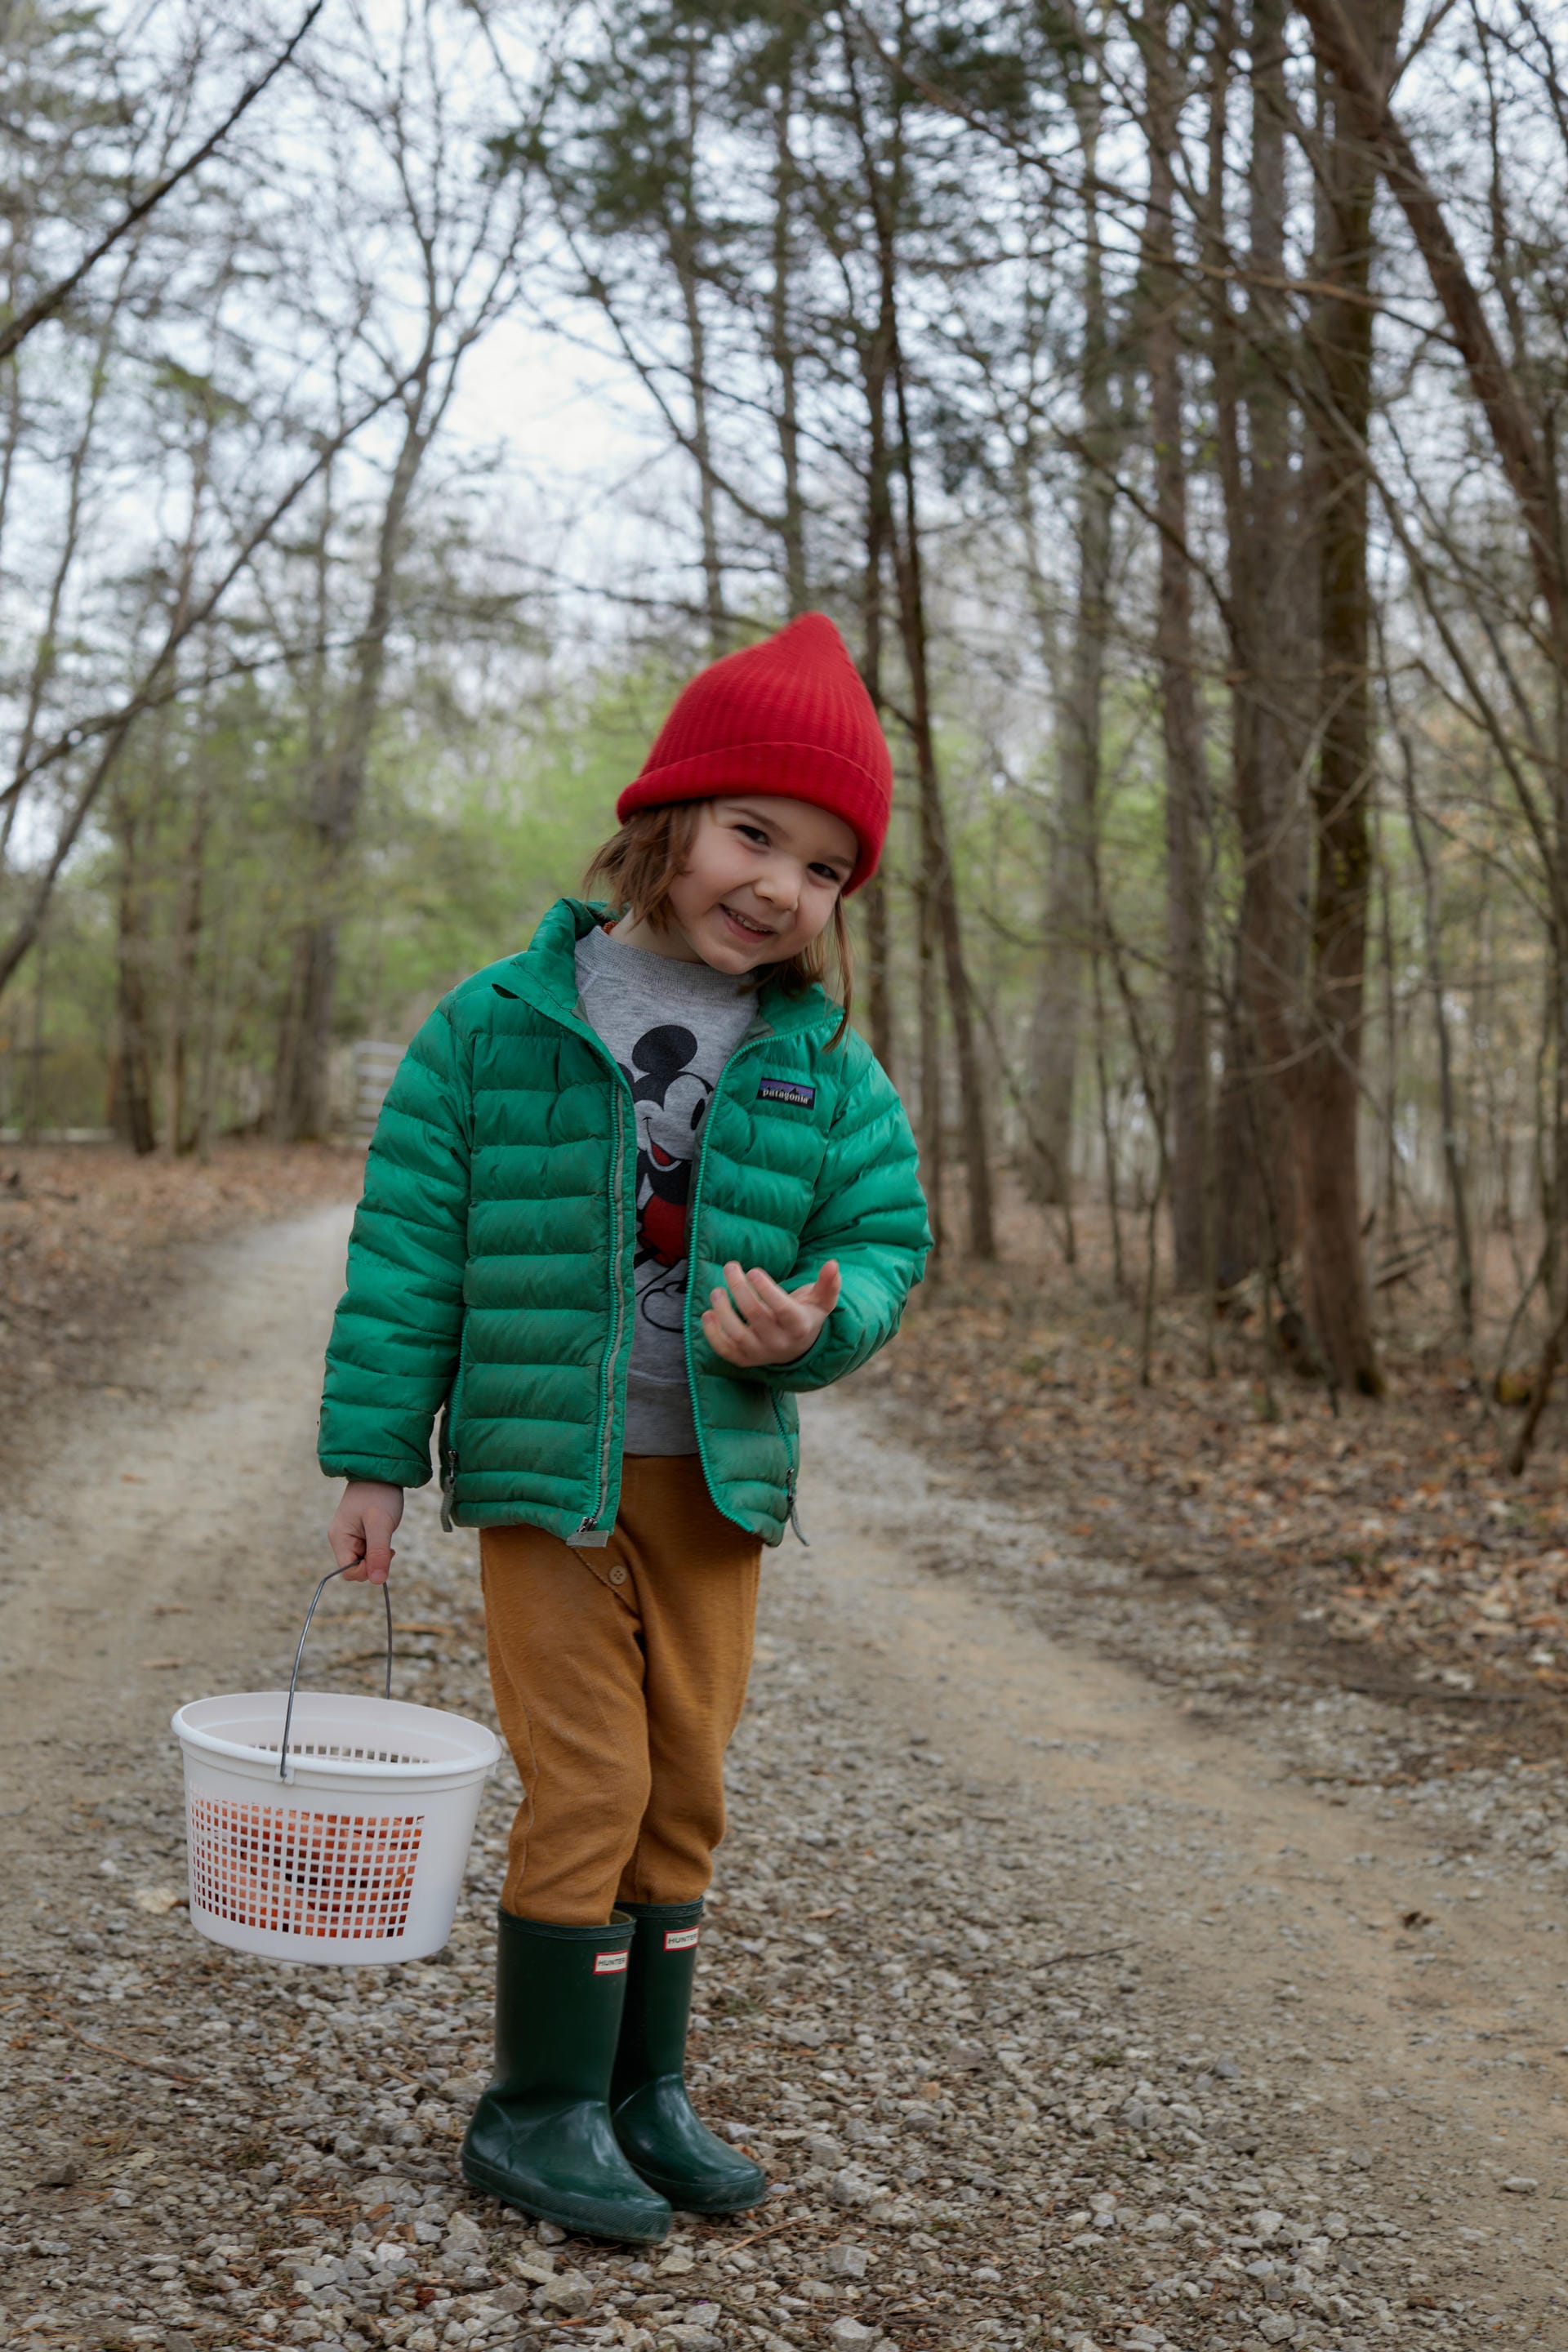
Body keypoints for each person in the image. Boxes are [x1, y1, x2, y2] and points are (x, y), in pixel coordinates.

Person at [318, 612, 932, 2243]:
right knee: (588, 1776)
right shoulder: (499, 1024)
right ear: (665, 820)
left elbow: (883, 1238)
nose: (782, 886)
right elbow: (406, 1249)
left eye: (825, 868)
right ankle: (538, 2108)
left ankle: (644, 2090)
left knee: (685, 1784)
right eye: (754, 834)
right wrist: (375, 1456)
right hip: (547, 1474)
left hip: (714, 1479)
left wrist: (819, 1322)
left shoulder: (821, 1060)